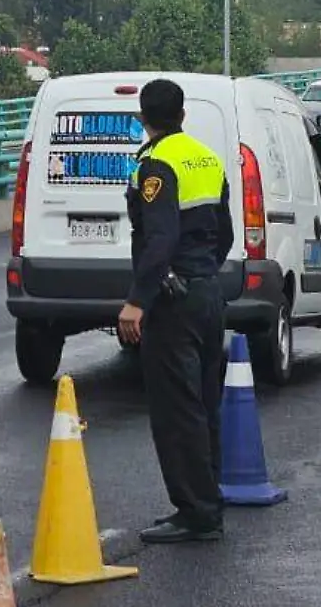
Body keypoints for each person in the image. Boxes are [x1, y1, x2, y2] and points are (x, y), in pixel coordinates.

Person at [116, 79, 233, 544]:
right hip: (207, 291)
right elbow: (224, 230)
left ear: (143, 118)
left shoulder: (156, 164)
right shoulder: (206, 157)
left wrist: (138, 301)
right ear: (182, 114)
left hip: (173, 300)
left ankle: (196, 512)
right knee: (205, 404)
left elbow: (159, 238)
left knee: (176, 408)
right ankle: (209, 499)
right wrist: (204, 270)